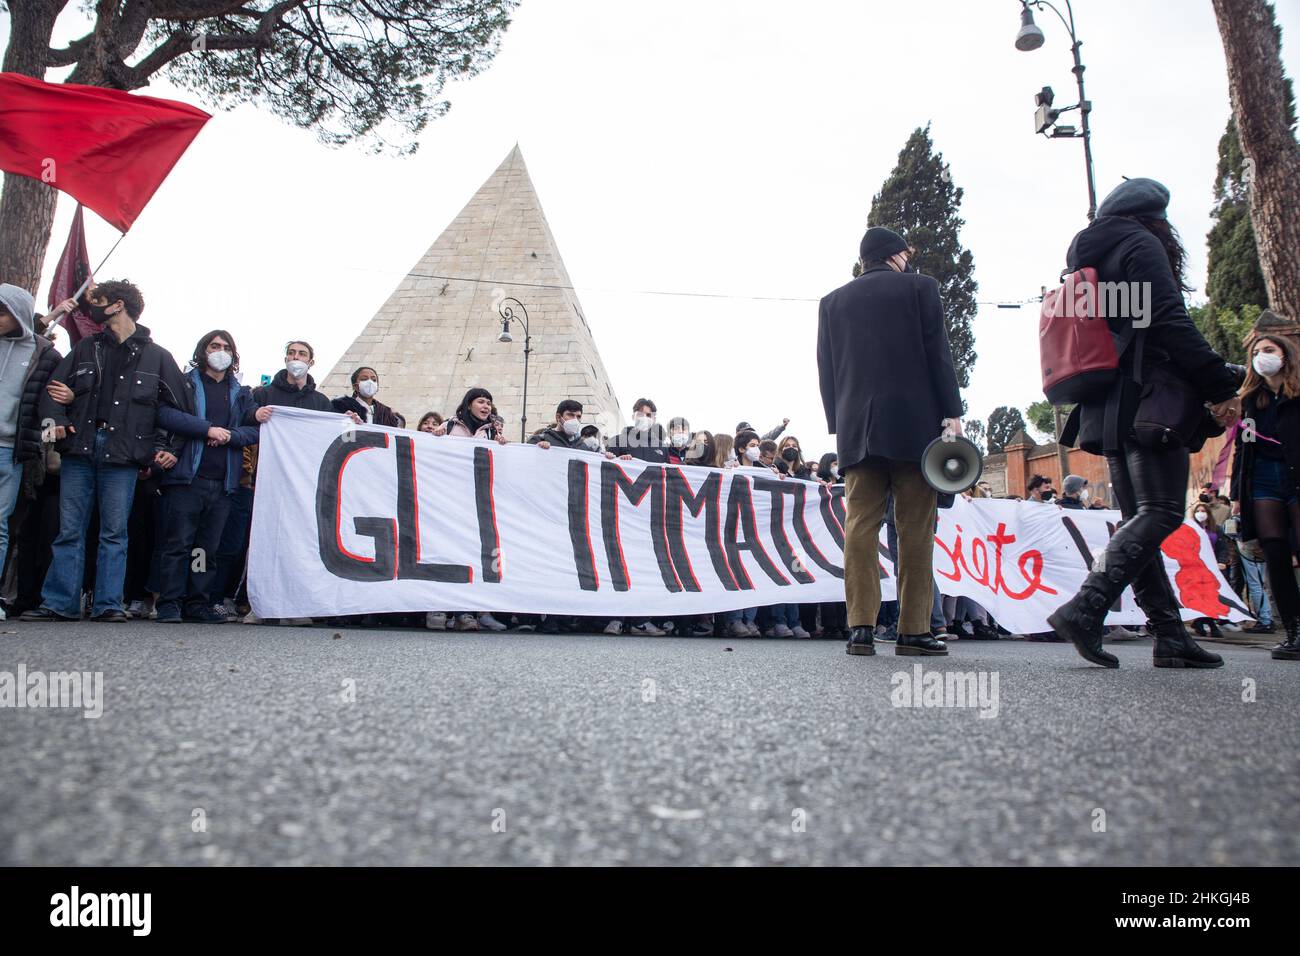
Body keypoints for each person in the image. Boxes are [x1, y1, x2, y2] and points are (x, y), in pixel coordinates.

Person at [1047, 178, 1238, 669]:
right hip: (1151, 394)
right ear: (1155, 218)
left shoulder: (1086, 258)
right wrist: (1218, 380)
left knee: (1141, 520)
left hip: (1108, 401)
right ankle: (1086, 607)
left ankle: (1170, 636)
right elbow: (1169, 320)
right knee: (1161, 513)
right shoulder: (1139, 244)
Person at [818, 226, 963, 658]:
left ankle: (860, 628)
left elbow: (827, 370)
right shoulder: (922, 288)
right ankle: (914, 630)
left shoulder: (832, 302)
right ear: (896, 255)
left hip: (856, 429)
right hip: (914, 426)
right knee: (915, 527)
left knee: (859, 526)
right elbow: (938, 353)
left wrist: (838, 424)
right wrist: (952, 414)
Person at [22, 280, 194, 623]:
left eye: (96, 301)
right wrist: (55, 420)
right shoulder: (86, 348)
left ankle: (108, 605)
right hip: (79, 450)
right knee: (69, 530)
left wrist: (167, 449)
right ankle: (59, 603)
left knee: (114, 533)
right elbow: (52, 393)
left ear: (117, 305)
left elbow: (181, 409)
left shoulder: (158, 357)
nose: (91, 308)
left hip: (125, 458)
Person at [153, 331, 259, 624]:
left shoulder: (241, 394)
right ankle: (170, 602)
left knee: (205, 549)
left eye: (226, 347)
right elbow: (165, 414)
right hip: (188, 478)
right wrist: (207, 429)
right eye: (215, 346)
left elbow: (254, 429)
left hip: (223, 482)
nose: (220, 351)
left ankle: (197, 602)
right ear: (203, 351)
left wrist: (228, 436)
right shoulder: (185, 384)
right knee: (178, 544)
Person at [1229, 332, 1300, 661]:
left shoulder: (1296, 393)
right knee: (1275, 555)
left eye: (1268, 349)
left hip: (1294, 477)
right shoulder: (1249, 400)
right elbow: (1242, 448)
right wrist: (1235, 496)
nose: (1262, 356)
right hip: (1261, 483)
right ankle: (1294, 633)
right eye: (1256, 351)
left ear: (1284, 355)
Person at [0, 285, 61, 619]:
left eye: (3, 310)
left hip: (13, 450)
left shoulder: (46, 354)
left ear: (17, 312)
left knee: (3, 525)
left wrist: (49, 440)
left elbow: (50, 406)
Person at [430, 387, 509, 632]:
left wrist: (503, 445)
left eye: (489, 403)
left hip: (477, 500)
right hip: (450, 498)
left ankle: (466, 611)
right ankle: (439, 607)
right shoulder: (450, 426)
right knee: (446, 552)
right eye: (481, 401)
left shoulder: (492, 432)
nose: (486, 406)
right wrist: (435, 436)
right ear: (469, 403)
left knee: (471, 555)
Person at [1187, 499, 1231, 641]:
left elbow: (1222, 548)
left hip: (1213, 567)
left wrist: (1222, 561)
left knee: (1212, 596)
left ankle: (1201, 622)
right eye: (1198, 511)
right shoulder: (1190, 529)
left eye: (1203, 511)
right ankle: (1209, 623)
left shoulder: (1216, 529)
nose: (1201, 514)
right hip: (1195, 567)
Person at [332, 366, 401, 426]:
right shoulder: (340, 406)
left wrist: (398, 418)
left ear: (377, 386)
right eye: (364, 379)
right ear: (355, 386)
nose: (370, 383)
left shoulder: (386, 413)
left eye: (374, 380)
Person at [607, 398, 668, 464]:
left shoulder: (662, 448)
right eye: (640, 414)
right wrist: (618, 460)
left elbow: (668, 472)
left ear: (654, 419)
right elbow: (607, 468)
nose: (644, 417)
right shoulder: (618, 441)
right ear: (633, 416)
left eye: (648, 415)